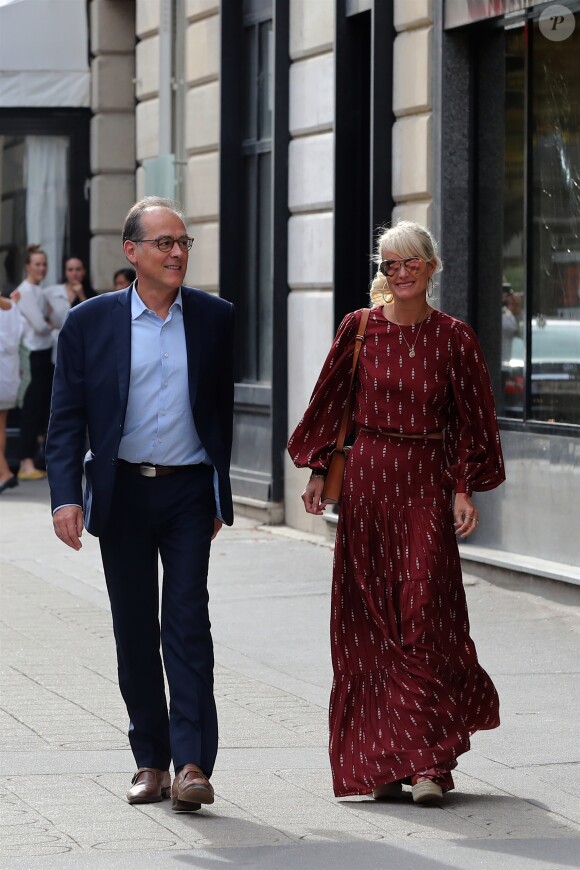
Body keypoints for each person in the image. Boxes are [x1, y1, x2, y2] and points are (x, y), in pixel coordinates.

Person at [288, 220, 505, 806]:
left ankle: (429, 764)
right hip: (366, 484)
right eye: (390, 264)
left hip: (425, 487)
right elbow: (330, 402)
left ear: (432, 267)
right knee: (368, 628)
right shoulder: (358, 330)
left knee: (421, 615)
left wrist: (464, 488)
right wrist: (316, 473)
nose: (400, 272)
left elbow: (471, 421)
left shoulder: (456, 339)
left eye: (411, 262)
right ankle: (382, 762)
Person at [46, 196, 235, 812]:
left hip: (185, 492)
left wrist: (216, 491)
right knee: (134, 629)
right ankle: (149, 759)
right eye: (164, 243)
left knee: (186, 624)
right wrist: (65, 499)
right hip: (122, 491)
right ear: (132, 252)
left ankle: (192, 764)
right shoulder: (90, 324)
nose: (178, 253)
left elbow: (221, 414)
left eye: (183, 243)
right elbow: (67, 417)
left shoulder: (213, 317)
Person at [13, 244, 55, 480]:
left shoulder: (39, 291)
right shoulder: (26, 291)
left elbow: (56, 318)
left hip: (43, 354)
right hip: (31, 354)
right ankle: (25, 462)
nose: (41, 268)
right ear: (27, 266)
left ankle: (35, 458)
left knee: (41, 410)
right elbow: (42, 326)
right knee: (30, 410)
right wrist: (49, 323)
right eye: (37, 264)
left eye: (44, 264)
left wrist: (49, 321)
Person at [0, 295, 23, 493]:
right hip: (9, 376)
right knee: (1, 425)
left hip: (2, 372)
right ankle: (3, 471)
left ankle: (4, 471)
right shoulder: (13, 308)